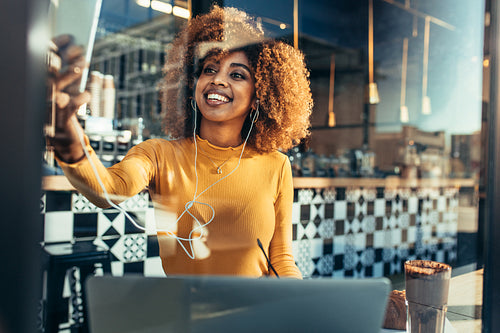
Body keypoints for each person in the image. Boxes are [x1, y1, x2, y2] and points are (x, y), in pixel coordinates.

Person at [49, 6, 312, 279]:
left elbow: (281, 258)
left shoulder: (276, 166)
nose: (218, 80)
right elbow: (109, 191)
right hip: (185, 313)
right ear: (192, 86)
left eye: (237, 75)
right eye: (209, 70)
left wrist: (296, 306)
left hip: (255, 315)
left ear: (259, 97)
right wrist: (67, 137)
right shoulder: (158, 154)